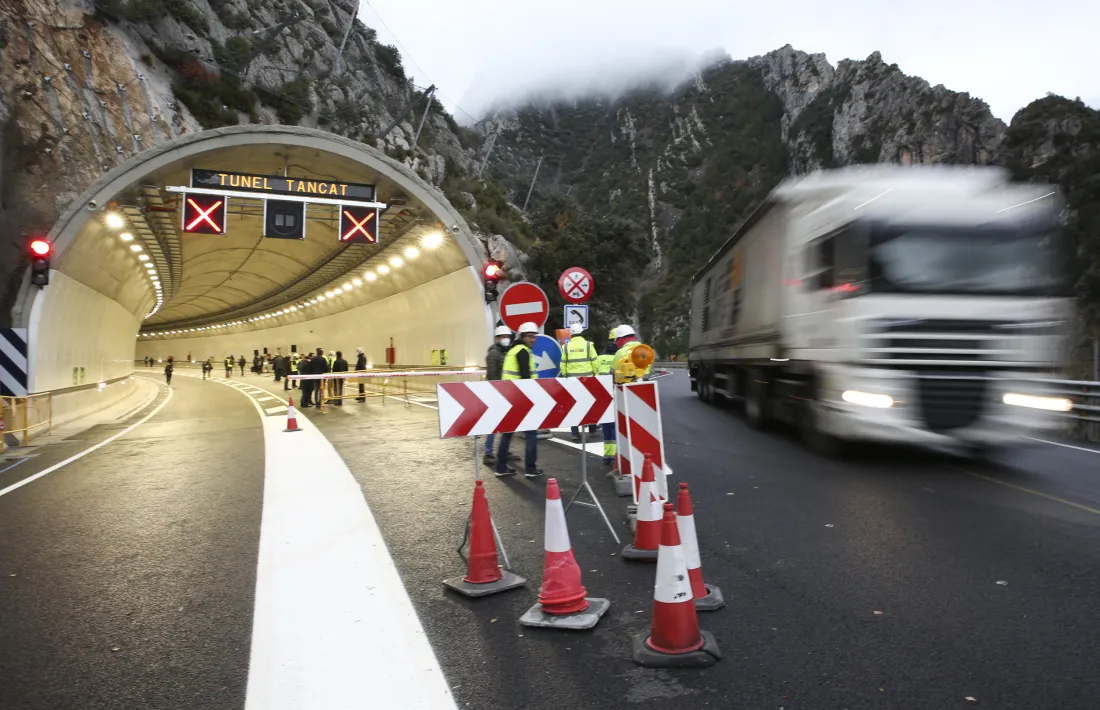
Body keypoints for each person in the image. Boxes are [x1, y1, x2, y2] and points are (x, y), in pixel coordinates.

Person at [495, 322, 544, 478]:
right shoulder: (522, 351)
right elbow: (525, 379)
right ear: (522, 336)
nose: (533, 339)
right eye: (530, 336)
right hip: (521, 398)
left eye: (534, 336)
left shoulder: (513, 350)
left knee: (507, 433)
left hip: (510, 397)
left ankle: (501, 467)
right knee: (531, 433)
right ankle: (530, 468)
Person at [483, 325, 518, 467]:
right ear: (497, 338)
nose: (506, 339)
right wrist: (498, 390)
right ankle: (488, 453)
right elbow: (492, 375)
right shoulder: (493, 354)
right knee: (493, 424)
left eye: (508, 337)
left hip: (506, 392)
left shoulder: (506, 352)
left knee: (508, 423)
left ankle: (505, 451)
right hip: (496, 392)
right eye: (503, 337)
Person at [561, 322, 599, 442]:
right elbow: (595, 362)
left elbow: (563, 365)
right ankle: (592, 430)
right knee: (590, 404)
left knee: (574, 406)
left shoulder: (566, 347)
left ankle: (575, 433)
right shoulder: (588, 345)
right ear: (582, 333)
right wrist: (594, 375)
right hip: (587, 380)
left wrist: (565, 377)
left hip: (573, 381)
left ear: (571, 334)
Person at [595, 328, 619, 467]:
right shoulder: (621, 357)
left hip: (603, 397)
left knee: (606, 428)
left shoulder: (600, 357)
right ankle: (616, 456)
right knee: (617, 426)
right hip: (617, 395)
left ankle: (607, 456)